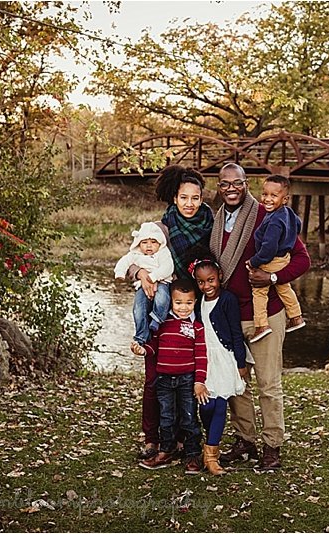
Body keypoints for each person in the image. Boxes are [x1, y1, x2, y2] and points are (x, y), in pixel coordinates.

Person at [209, 163, 311, 470]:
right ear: (219, 186)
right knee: (237, 384)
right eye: (225, 183)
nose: (231, 189)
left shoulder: (268, 216)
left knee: (268, 384)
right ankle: (246, 440)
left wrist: (273, 279)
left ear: (246, 185)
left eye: (237, 183)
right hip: (228, 315)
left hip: (265, 314)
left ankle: (272, 447)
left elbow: (302, 259)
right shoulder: (216, 222)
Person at [126, 165, 213, 461]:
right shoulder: (162, 227)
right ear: (174, 198)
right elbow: (135, 257)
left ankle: (181, 438)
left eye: (195, 198)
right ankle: (152, 437)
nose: (190, 203)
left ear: (202, 199)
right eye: (184, 197)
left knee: (188, 377)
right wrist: (141, 272)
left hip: (194, 307)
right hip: (163, 310)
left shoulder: (210, 223)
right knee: (155, 377)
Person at [131, 278, 208, 474]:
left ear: (195, 302)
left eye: (189, 303)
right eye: (178, 303)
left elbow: (201, 355)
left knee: (189, 417)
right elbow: (153, 347)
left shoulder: (197, 328)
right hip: (164, 380)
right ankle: (166, 450)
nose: (183, 308)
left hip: (187, 379)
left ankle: (192, 454)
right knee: (166, 417)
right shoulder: (162, 324)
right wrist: (142, 350)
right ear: (170, 302)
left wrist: (199, 381)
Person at [189, 253, 247, 475]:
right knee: (207, 405)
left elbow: (235, 333)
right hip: (205, 359)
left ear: (219, 276)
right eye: (201, 282)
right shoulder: (197, 302)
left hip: (224, 357)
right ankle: (209, 437)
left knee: (220, 403)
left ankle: (211, 456)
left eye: (211, 280)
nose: (207, 286)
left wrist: (240, 363)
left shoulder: (228, 300)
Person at [246, 174, 306, 343]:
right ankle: (296, 317)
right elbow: (298, 224)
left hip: (272, 260)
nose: (267, 199)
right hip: (283, 257)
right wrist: (289, 238)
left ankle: (261, 325)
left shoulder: (274, 222)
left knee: (259, 291)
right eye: (265, 194)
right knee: (284, 288)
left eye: (274, 195)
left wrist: (254, 262)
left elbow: (268, 249)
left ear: (285, 198)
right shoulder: (287, 213)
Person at [114, 221, 174, 346]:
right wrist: (120, 273)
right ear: (139, 244)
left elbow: (168, 267)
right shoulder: (135, 254)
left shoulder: (163, 252)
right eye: (144, 242)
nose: (149, 246)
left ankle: (157, 319)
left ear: (160, 243)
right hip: (142, 285)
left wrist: (153, 277)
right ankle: (141, 335)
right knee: (138, 308)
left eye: (153, 242)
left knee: (162, 298)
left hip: (162, 281)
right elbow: (124, 262)